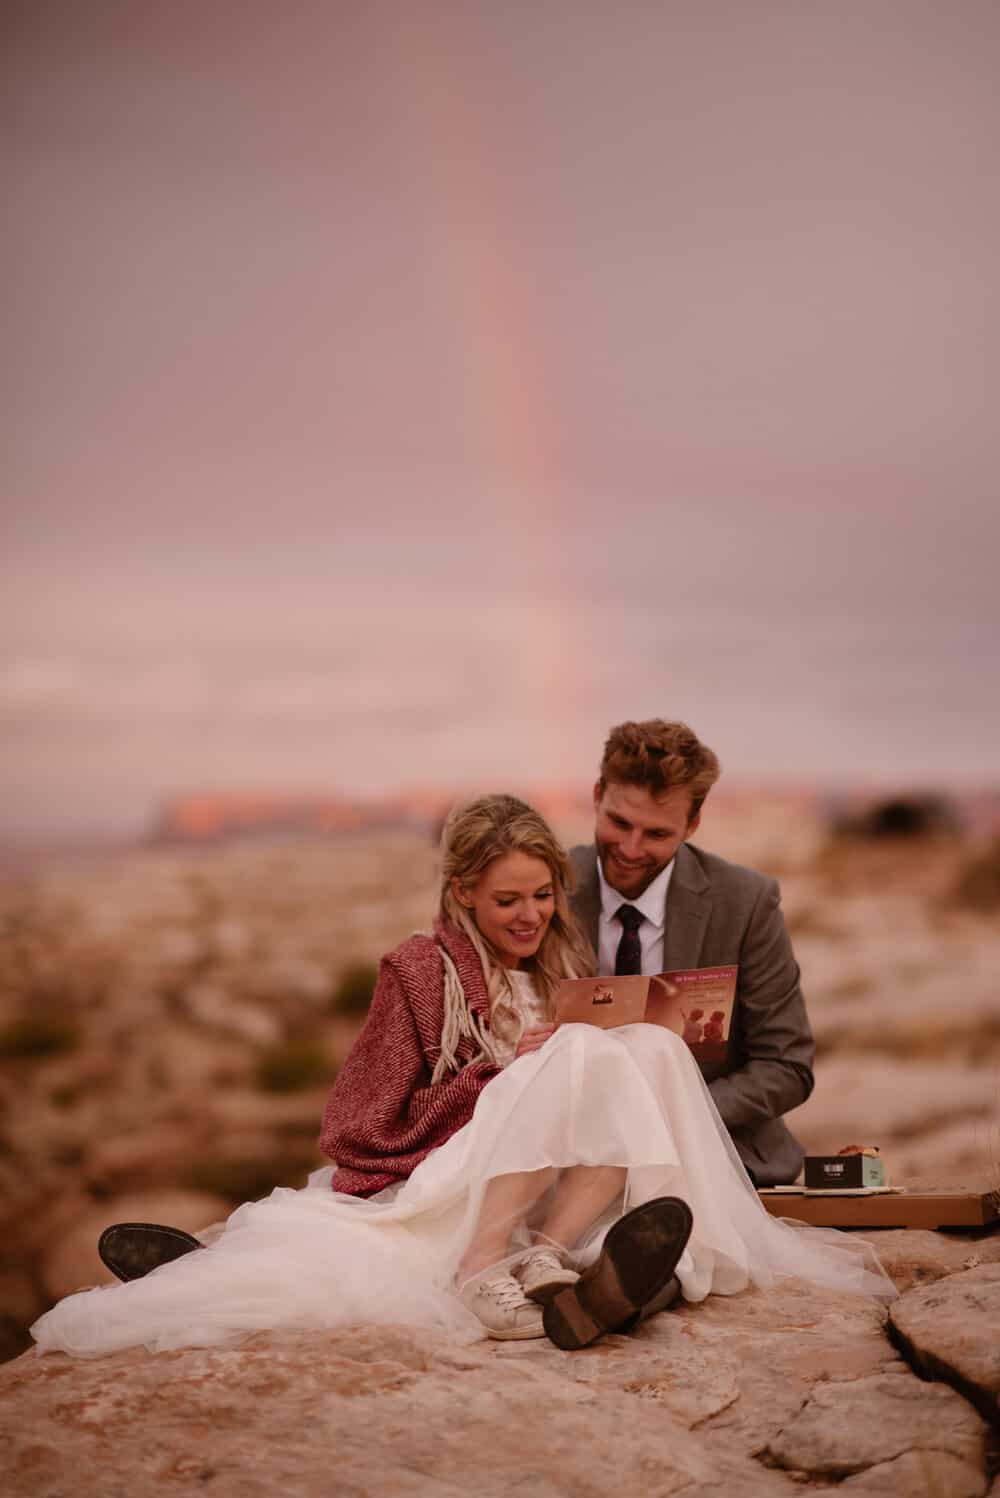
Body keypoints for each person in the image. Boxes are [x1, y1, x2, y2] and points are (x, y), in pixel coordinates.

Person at [31, 794, 892, 1361]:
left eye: (544, 896)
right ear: (462, 896)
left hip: (555, 1180)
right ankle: (484, 1265)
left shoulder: (560, 967)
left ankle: (554, 1260)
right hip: (460, 1168)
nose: (531, 917)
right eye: (508, 901)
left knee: (642, 1051)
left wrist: (615, 1035)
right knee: (573, 1058)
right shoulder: (418, 970)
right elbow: (359, 1121)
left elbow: (599, 1081)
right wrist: (500, 1075)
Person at [569, 719, 813, 1186]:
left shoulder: (745, 902)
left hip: (708, 1147)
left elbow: (787, 1066)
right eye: (618, 822)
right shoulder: (544, 889)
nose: (629, 848)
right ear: (597, 795)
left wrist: (675, 1115)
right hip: (568, 1145)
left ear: (692, 825)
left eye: (656, 834)